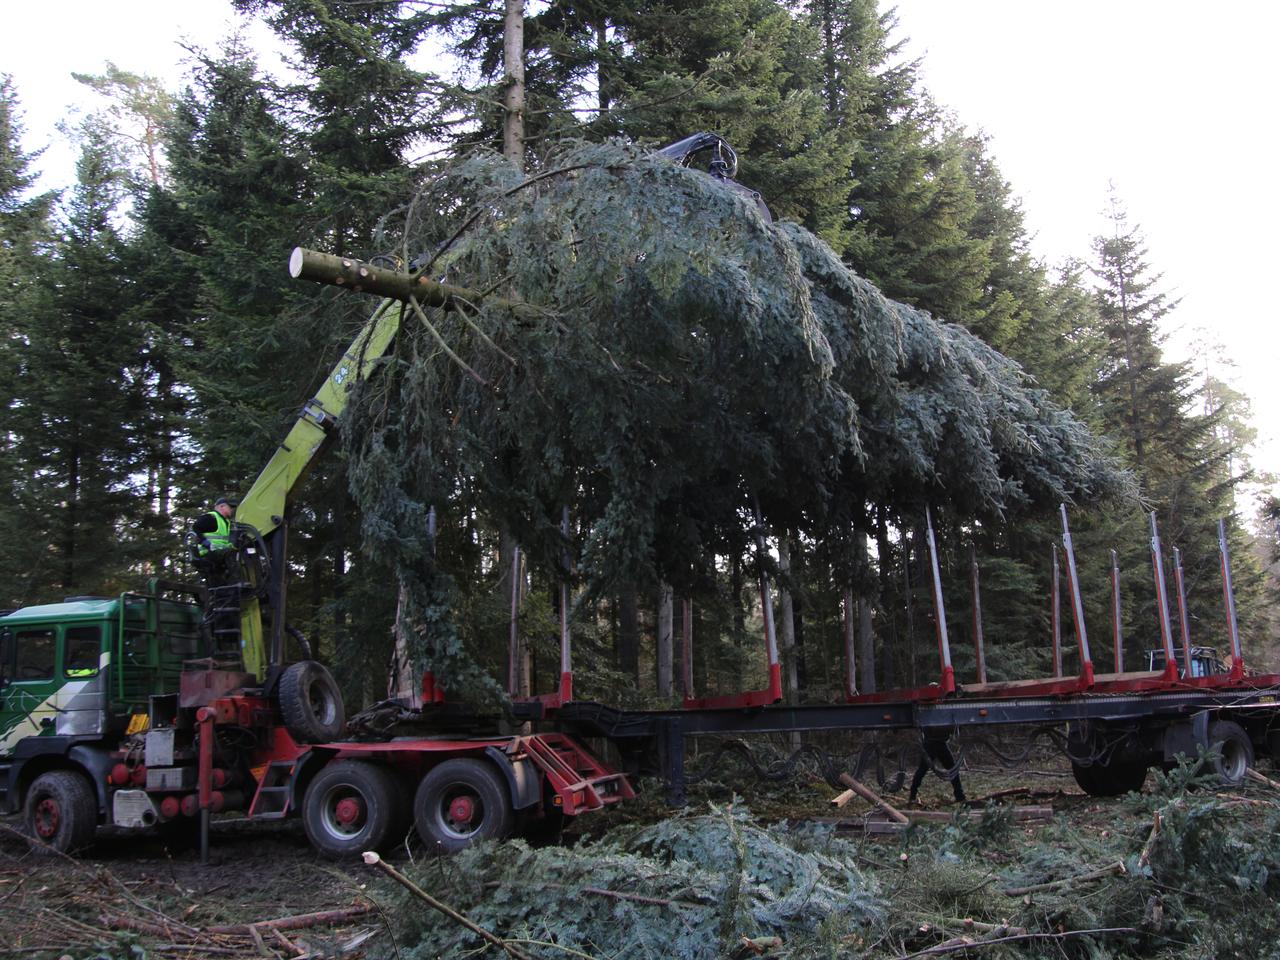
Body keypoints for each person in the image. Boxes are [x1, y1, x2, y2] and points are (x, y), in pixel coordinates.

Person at [908, 728, 966, 804]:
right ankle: (912, 795)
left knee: (952, 769)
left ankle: (960, 796)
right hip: (931, 744)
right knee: (923, 770)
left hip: (938, 744)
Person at [191, 497, 239, 586]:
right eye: (230, 507)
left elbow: (223, 540)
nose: (232, 510)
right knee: (232, 554)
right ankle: (236, 583)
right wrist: (205, 542)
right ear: (222, 506)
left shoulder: (226, 522)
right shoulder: (211, 517)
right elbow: (195, 528)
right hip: (209, 552)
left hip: (219, 552)